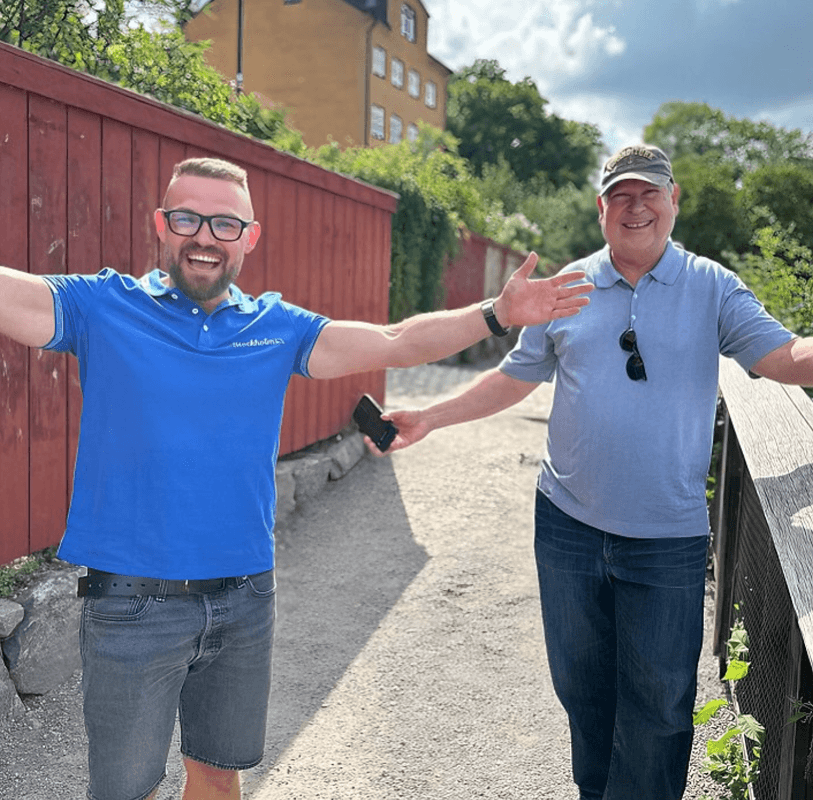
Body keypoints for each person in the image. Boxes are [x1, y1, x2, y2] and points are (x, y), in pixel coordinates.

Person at [0, 156, 592, 800]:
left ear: (250, 237)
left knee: (221, 782)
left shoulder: (275, 327)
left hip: (243, 597)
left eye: (225, 224)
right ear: (160, 226)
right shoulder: (102, 305)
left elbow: (395, 340)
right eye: (187, 218)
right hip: (133, 603)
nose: (205, 236)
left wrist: (495, 315)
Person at [370, 144, 813, 800]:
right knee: (583, 693)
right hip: (567, 529)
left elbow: (784, 358)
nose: (635, 207)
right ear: (600, 207)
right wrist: (430, 416)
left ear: (673, 200)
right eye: (620, 195)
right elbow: (513, 379)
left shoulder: (711, 288)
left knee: (659, 708)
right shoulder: (566, 288)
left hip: (666, 540)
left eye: (649, 193)